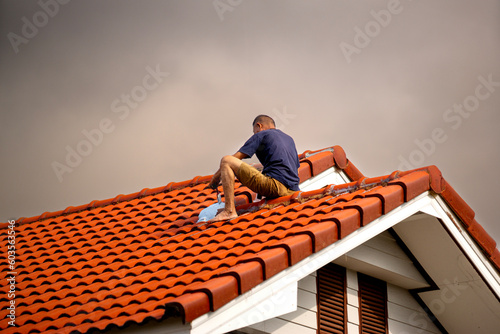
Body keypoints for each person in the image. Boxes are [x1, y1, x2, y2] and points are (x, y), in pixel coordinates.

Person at [208, 115, 300, 222]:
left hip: (274, 186)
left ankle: (229, 211)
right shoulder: (289, 139)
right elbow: (296, 168)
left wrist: (215, 178)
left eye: (254, 131)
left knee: (226, 160)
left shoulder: (261, 134)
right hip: (293, 190)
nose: (254, 134)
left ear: (259, 126)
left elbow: (237, 157)